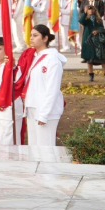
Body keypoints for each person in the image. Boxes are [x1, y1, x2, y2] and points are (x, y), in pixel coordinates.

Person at [22, 25, 67, 153]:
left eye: (35, 35)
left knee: (46, 150)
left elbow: (52, 89)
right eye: (31, 35)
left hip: (46, 111)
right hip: (32, 107)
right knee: (34, 149)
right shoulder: (35, 57)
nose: (31, 38)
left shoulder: (52, 60)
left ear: (45, 38)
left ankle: (48, 168)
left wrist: (44, 114)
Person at [80, 3, 105, 81]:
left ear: (95, 10)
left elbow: (102, 29)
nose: (90, 11)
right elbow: (81, 21)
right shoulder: (86, 19)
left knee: (102, 60)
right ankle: (91, 76)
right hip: (89, 40)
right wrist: (85, 13)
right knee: (89, 60)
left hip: (98, 41)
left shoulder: (99, 19)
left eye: (92, 9)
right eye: (89, 9)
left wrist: (98, 31)